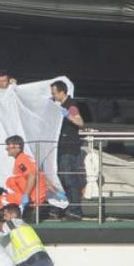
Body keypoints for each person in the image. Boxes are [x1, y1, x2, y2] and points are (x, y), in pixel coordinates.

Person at [51, 80, 85, 219]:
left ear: (62, 92)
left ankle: (76, 209)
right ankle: (63, 206)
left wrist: (67, 115)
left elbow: (80, 121)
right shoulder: (57, 105)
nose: (53, 96)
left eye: (54, 93)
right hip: (61, 147)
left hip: (69, 148)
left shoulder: (71, 105)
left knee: (69, 178)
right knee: (62, 178)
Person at [0, 135, 48, 212]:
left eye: (9, 145)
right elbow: (41, 177)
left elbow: (32, 175)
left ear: (17, 147)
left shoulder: (21, 160)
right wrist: (56, 192)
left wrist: (26, 196)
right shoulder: (27, 159)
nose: (6, 148)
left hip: (31, 197)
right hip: (36, 196)